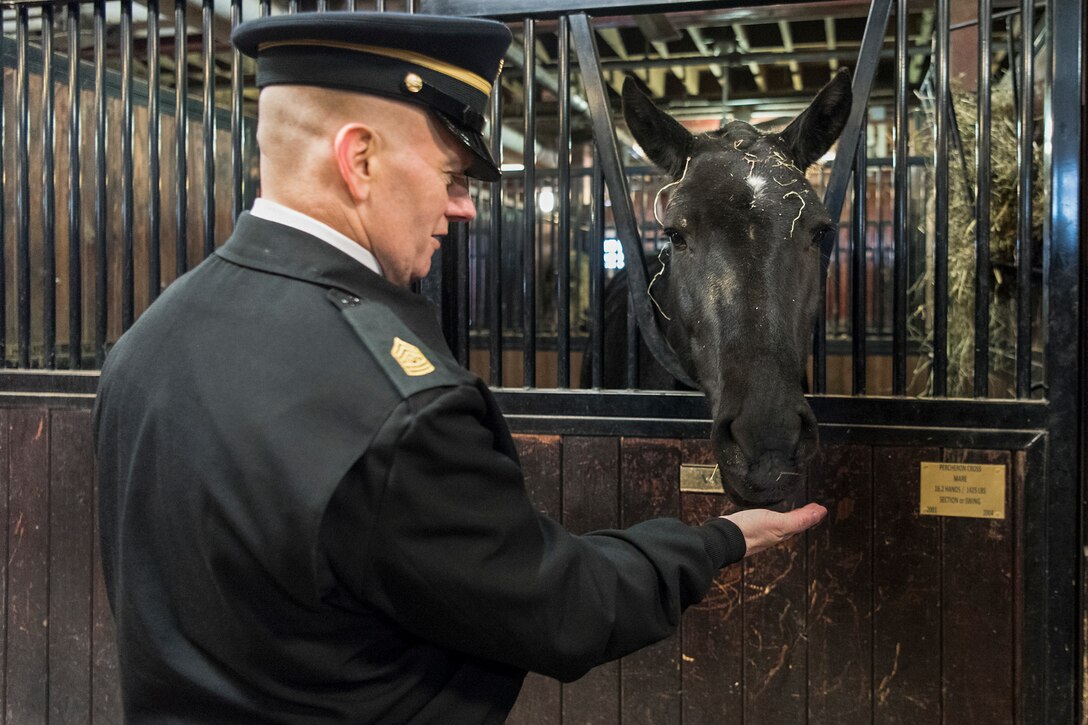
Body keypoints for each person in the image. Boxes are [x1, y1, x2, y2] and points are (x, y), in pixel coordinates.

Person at [93, 11, 828, 724]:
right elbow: (561, 607)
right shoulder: (396, 407)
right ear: (359, 160)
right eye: (451, 170)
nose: (464, 204)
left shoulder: (144, 347)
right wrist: (720, 538)